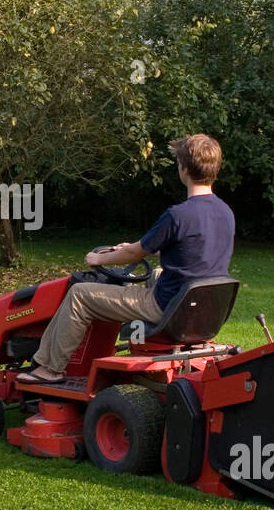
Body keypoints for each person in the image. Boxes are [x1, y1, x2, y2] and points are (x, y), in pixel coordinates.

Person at [19, 134, 234, 383]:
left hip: (166, 306)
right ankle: (49, 360)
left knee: (79, 294)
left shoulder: (178, 215)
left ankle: (50, 369)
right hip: (203, 310)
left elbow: (135, 253)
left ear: (184, 170)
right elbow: (192, 248)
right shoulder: (225, 212)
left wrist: (99, 260)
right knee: (156, 273)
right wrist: (136, 248)